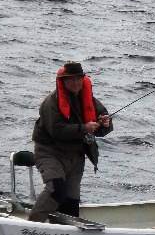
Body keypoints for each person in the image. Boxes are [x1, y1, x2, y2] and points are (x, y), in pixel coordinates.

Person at [28, 62, 113, 222]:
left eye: (78, 79)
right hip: (49, 153)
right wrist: (84, 128)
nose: (75, 83)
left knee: (71, 201)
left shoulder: (90, 100)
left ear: (83, 79)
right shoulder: (51, 102)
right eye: (71, 79)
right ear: (63, 81)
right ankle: (32, 225)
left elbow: (103, 126)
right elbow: (57, 130)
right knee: (56, 189)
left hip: (75, 157)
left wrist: (106, 124)